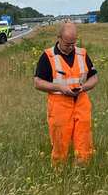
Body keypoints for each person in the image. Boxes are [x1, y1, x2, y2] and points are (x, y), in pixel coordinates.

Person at [33, 21, 98, 164]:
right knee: (60, 140)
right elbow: (37, 82)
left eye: (73, 43)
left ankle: (83, 166)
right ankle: (59, 170)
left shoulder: (82, 54)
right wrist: (60, 88)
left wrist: (85, 87)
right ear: (59, 38)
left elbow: (94, 77)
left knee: (84, 136)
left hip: (81, 101)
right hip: (59, 104)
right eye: (67, 43)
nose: (70, 47)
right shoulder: (47, 56)